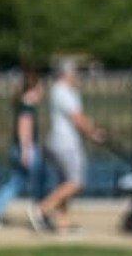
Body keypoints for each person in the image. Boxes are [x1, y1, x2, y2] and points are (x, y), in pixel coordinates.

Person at [34, 56, 107, 233]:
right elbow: (77, 118)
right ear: (66, 73)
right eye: (75, 72)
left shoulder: (63, 91)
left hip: (59, 142)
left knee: (65, 182)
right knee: (76, 182)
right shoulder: (63, 91)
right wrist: (93, 132)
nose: (77, 76)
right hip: (66, 144)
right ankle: (42, 208)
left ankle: (63, 222)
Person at [0, 66, 47, 232]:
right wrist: (26, 150)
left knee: (16, 182)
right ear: (33, 88)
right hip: (26, 149)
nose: (42, 91)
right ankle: (39, 213)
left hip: (21, 148)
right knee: (38, 182)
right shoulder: (27, 106)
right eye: (40, 88)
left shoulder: (22, 104)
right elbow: (24, 128)